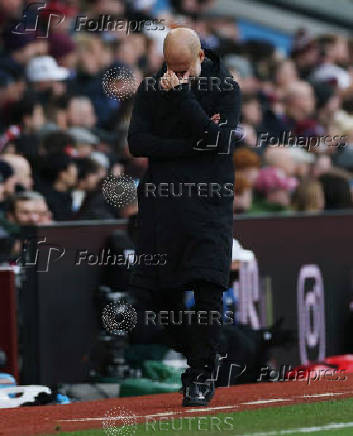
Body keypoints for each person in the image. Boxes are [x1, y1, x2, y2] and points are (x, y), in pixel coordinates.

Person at [128, 27, 241, 407]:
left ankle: (200, 376)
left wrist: (183, 99)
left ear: (200, 58)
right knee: (158, 296)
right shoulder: (149, 89)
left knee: (208, 290)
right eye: (170, 68)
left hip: (209, 205)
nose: (175, 76)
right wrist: (191, 144)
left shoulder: (225, 89)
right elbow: (137, 143)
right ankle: (197, 358)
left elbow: (219, 142)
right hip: (162, 207)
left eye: (183, 69)